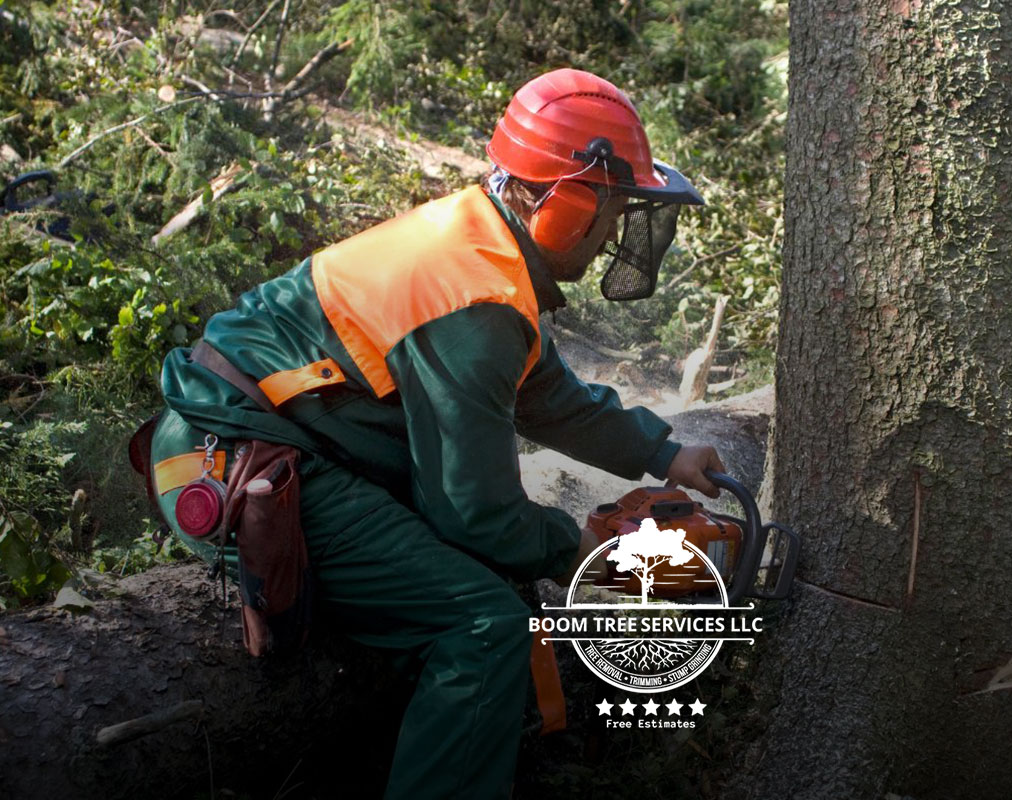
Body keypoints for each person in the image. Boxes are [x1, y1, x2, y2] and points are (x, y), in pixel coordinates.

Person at [142, 68, 725, 798]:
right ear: (565, 204)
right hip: (239, 462)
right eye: (610, 214)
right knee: (483, 627)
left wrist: (664, 454)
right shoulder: (473, 301)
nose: (613, 237)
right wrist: (583, 546)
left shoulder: (480, 253)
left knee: (484, 585)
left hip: (285, 441)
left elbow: (548, 399)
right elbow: (474, 512)